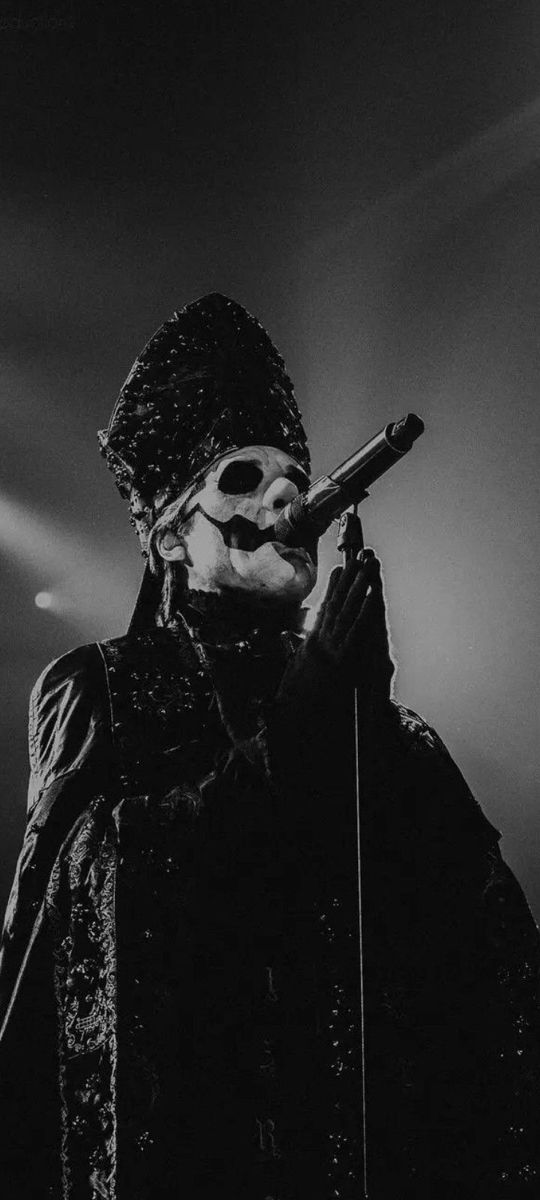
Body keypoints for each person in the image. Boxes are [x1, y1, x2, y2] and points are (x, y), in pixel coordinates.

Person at [0, 293, 538, 1200]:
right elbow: (86, 904)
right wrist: (299, 728)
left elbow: (498, 981)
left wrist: (369, 733)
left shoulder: (394, 732)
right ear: (172, 531)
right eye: (242, 478)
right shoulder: (103, 688)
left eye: (296, 473)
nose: (287, 491)